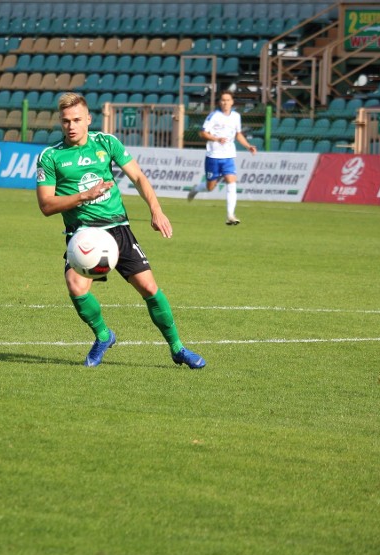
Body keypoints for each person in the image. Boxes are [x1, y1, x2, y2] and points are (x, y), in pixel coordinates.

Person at [36, 92, 206, 369]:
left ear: (88, 119)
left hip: (118, 229)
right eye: (66, 121)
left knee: (150, 288)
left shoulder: (107, 142)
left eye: (77, 119)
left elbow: (138, 176)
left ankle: (177, 348)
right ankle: (104, 336)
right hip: (83, 234)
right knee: (76, 288)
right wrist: (83, 196)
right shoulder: (51, 156)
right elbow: (46, 205)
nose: (71, 125)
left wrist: (156, 210)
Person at [187, 91, 257, 225]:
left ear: (232, 102)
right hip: (213, 156)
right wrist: (216, 138)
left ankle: (230, 215)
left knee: (231, 181)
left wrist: (248, 146)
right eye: (223, 100)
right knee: (210, 187)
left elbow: (238, 134)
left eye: (228, 100)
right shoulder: (214, 116)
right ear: (220, 102)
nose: (225, 102)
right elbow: (202, 133)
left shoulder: (236, 116)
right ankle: (196, 188)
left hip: (228, 156)